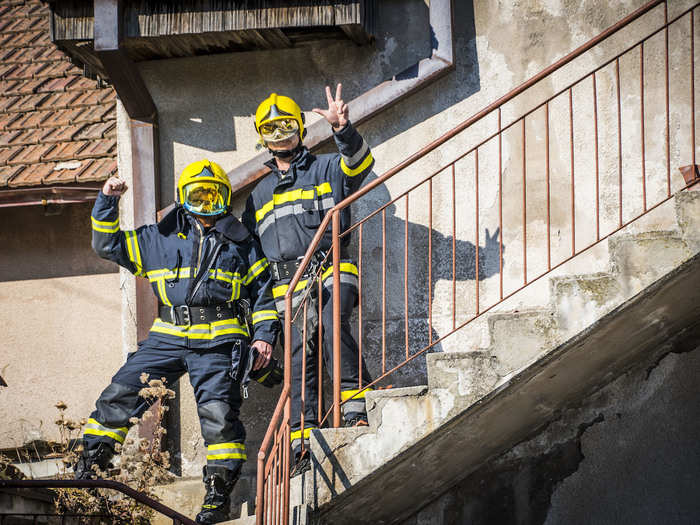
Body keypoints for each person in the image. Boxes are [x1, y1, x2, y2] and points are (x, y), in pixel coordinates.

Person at [76, 160, 280, 524]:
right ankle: (91, 463)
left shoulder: (243, 242)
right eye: (197, 196)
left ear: (225, 198)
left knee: (219, 419)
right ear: (182, 199)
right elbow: (107, 244)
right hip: (167, 337)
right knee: (121, 390)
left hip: (220, 343)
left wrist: (264, 338)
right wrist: (107, 200)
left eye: (213, 195)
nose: (206, 204)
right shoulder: (158, 237)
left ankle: (218, 496)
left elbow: (265, 293)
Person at [242, 85, 374, 474]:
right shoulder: (258, 195)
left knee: (334, 326)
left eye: (286, 125)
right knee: (300, 360)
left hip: (331, 270)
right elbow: (257, 266)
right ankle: (302, 443)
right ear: (261, 136)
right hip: (287, 290)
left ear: (300, 128)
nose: (279, 134)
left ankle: (354, 409)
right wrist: (264, 325)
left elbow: (358, 165)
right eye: (271, 128)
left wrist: (342, 130)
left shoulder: (327, 167)